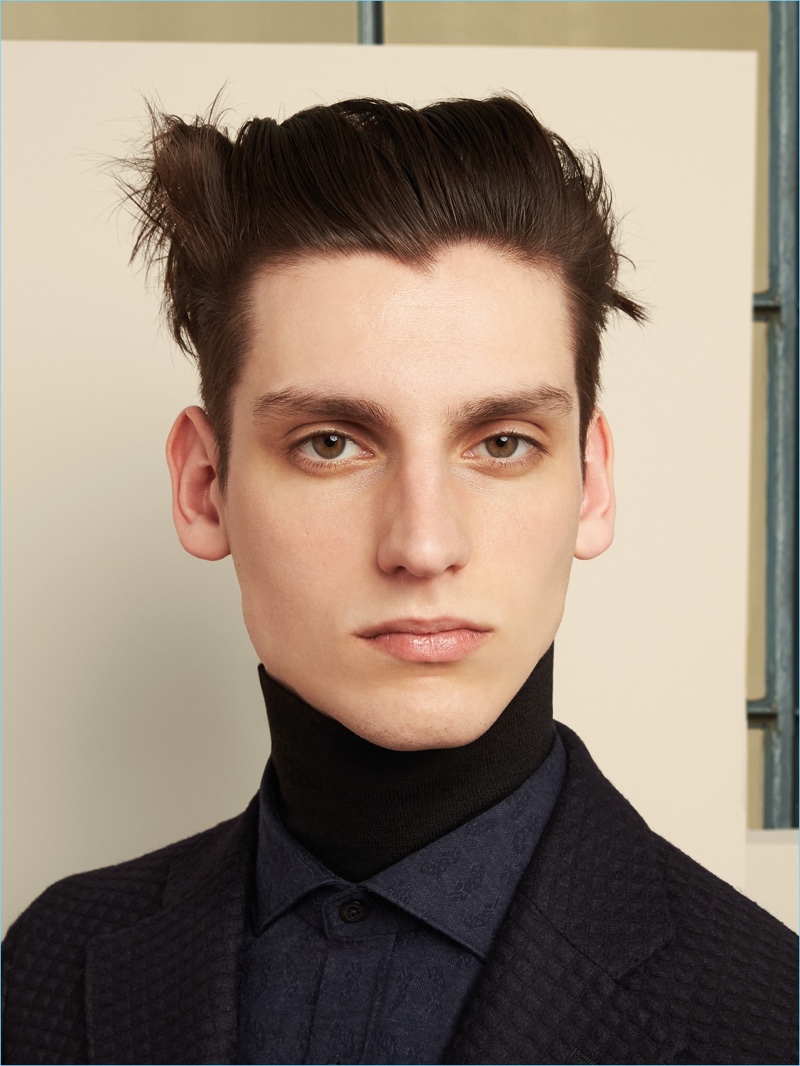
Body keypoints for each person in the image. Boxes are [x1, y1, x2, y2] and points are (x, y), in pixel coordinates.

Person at [2, 94, 796, 1066]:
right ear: (204, 487)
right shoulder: (46, 967)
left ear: (591, 484)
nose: (423, 545)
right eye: (330, 443)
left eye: (502, 443)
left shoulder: (768, 1018)